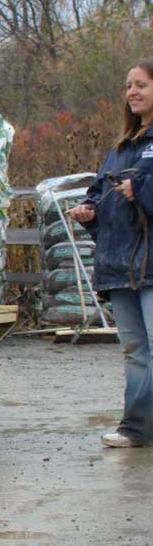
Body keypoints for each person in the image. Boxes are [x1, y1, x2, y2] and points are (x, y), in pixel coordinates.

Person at [69, 58, 153, 448]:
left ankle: (138, 427)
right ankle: (136, 429)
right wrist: (89, 212)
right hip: (120, 267)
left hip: (151, 266)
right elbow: (100, 198)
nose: (133, 92)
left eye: (142, 85)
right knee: (135, 350)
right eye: (129, 85)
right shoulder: (120, 149)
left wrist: (143, 191)